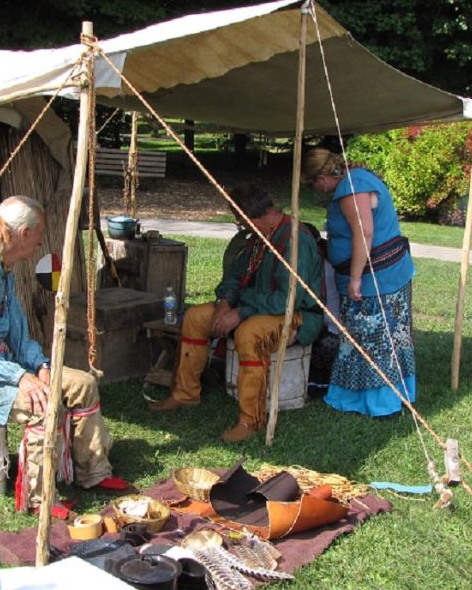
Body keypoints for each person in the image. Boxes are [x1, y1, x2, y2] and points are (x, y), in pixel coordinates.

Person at [0, 195, 130, 513]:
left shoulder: (2, 272)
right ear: (23, 233)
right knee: (42, 405)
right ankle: (37, 497)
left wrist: (40, 366)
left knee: (82, 384)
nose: (39, 243)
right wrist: (21, 377)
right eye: (38, 234)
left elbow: (19, 335)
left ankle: (93, 473)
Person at [148, 183, 324, 442]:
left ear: (256, 215)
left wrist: (241, 312)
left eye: (242, 221)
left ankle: (250, 420)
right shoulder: (258, 239)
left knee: (249, 333)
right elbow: (233, 275)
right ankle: (185, 394)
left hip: (297, 315)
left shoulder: (296, 242)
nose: (242, 227)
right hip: (251, 307)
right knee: (197, 317)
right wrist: (223, 304)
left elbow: (286, 300)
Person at [301, 147, 416, 418]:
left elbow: (364, 232)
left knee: (373, 340)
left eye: (313, 182)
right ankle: (393, 397)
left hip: (374, 279)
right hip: (385, 275)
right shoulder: (358, 179)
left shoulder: (350, 188)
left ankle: (381, 404)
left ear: (322, 176)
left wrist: (354, 278)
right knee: (388, 338)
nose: (316, 189)